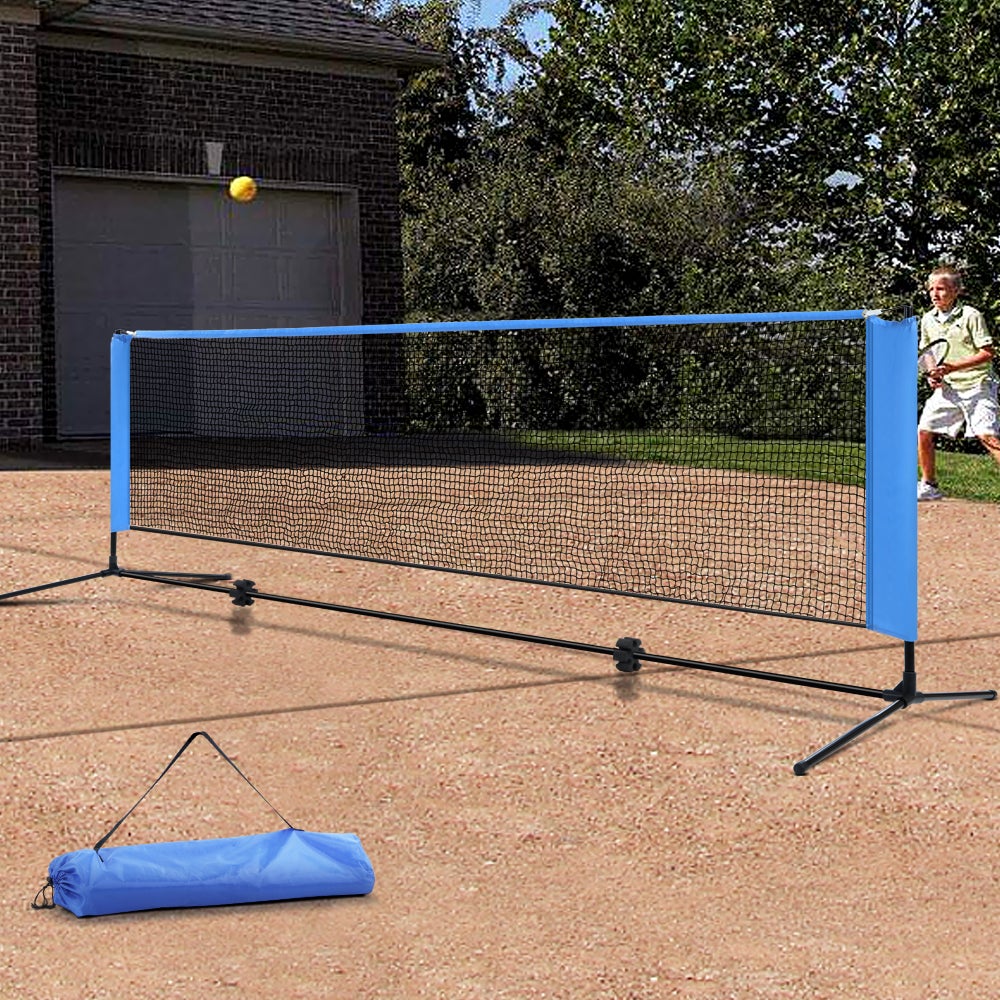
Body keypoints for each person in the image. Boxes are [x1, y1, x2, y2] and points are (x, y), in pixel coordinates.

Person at [917, 264, 1000, 501]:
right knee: (923, 432)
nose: (935, 293)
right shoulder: (927, 319)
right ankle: (930, 485)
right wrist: (934, 374)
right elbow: (929, 353)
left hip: (978, 385)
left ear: (956, 290)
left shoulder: (971, 315)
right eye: (931, 289)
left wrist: (954, 367)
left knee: (987, 437)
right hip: (948, 388)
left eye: (941, 288)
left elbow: (987, 353)